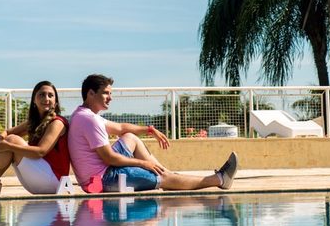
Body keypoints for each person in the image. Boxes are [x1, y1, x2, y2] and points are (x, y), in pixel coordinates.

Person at [68, 74, 238, 193]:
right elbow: (109, 158)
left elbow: (120, 128)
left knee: (130, 138)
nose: (110, 98)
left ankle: (165, 173)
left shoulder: (83, 114)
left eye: (110, 93)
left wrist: (149, 129)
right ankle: (219, 179)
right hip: (105, 179)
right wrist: (143, 164)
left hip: (100, 173)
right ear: (91, 93)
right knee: (165, 180)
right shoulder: (90, 120)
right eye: (106, 93)